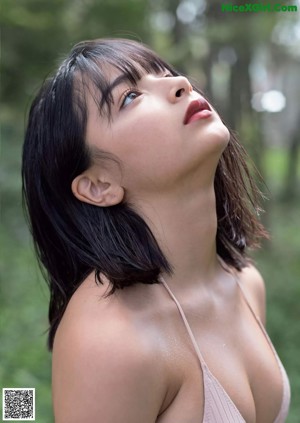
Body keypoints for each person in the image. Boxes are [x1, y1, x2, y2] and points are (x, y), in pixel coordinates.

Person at [22, 38, 290, 423]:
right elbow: (19, 407)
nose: (181, 82)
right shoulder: (109, 339)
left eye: (164, 73)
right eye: (130, 96)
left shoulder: (245, 283)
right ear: (98, 186)